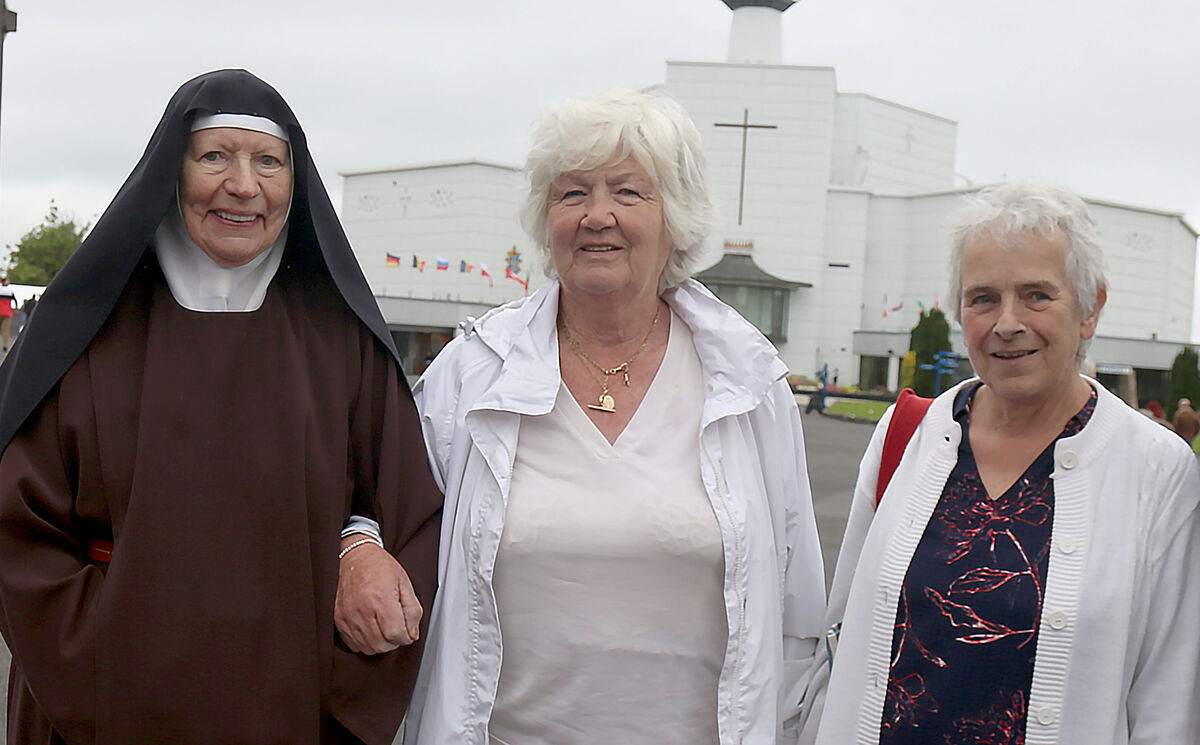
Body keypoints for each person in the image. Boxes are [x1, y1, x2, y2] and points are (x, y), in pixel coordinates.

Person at [342, 88, 825, 744]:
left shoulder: (746, 382)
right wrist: (357, 547)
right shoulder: (474, 370)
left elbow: (797, 607)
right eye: (573, 194)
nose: (598, 215)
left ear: (675, 216)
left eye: (628, 192)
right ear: (547, 219)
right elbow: (376, 501)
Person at [0, 69, 443, 744]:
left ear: (296, 184)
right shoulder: (86, 332)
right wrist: (102, 667)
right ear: (170, 174)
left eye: (268, 161)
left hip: (293, 709)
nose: (243, 184)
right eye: (214, 156)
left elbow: (410, 514)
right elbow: (16, 525)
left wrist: (360, 554)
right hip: (103, 704)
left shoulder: (340, 338)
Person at [801, 183, 1200, 744]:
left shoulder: (1159, 470)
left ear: (1090, 309)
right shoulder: (908, 435)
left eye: (1037, 295)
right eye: (983, 298)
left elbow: (1169, 700)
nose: (1007, 322)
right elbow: (839, 639)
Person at [0, 277, 15, 350]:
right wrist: (15, 308)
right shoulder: (10, 291)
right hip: (8, 311)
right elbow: (14, 300)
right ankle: (5, 345)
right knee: (6, 329)